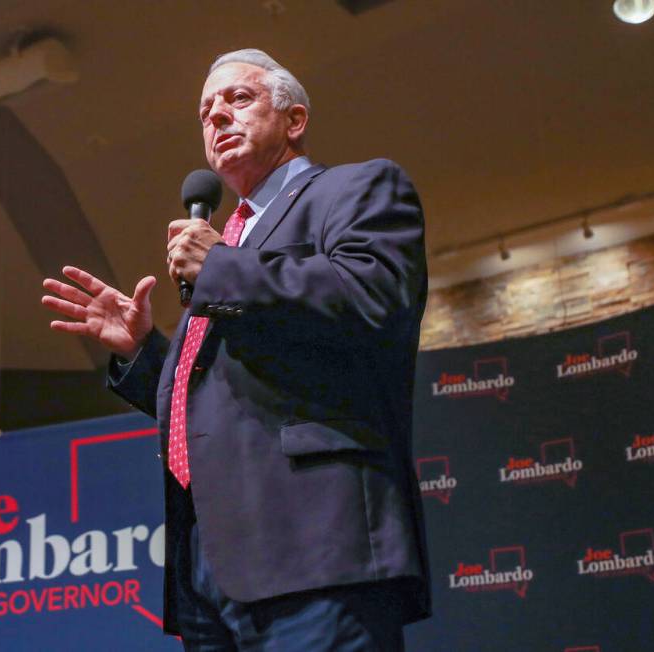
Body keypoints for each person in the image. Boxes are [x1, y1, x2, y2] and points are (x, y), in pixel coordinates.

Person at [42, 48, 429, 651]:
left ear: (294, 120)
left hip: (314, 544)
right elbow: (222, 395)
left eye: (238, 99)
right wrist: (146, 351)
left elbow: (374, 298)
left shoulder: (357, 188)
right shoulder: (230, 246)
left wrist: (224, 267)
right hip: (208, 566)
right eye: (205, 111)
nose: (217, 116)